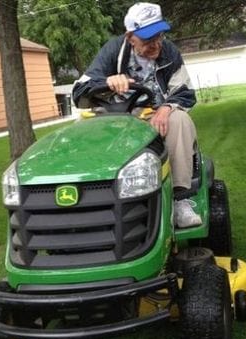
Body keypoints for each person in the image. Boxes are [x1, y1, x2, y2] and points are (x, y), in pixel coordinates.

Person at [72, 2, 201, 228]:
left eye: (159, 36)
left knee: (180, 119)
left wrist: (167, 107)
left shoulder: (169, 52)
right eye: (148, 39)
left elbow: (185, 93)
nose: (156, 44)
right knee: (80, 129)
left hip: (153, 116)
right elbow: (79, 93)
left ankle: (180, 201)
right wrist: (106, 82)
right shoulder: (112, 50)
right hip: (114, 119)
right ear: (130, 37)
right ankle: (87, 204)